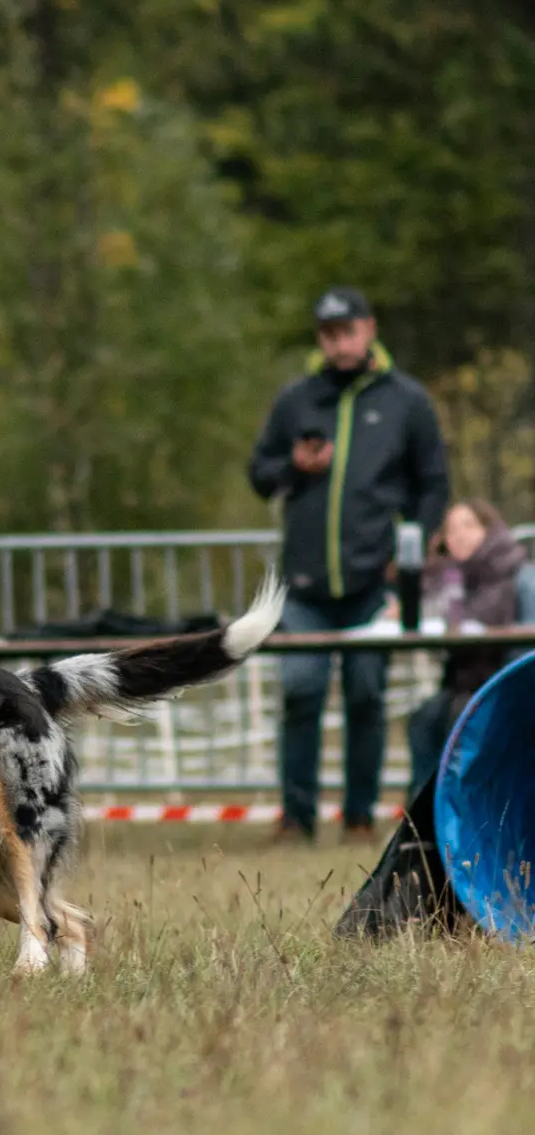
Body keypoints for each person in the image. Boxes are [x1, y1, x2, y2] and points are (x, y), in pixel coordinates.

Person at [248, 286, 450, 842]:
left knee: (367, 695)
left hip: (372, 583)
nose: (338, 342)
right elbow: (259, 474)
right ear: (321, 338)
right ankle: (296, 819)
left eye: (347, 330)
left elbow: (433, 484)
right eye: (328, 333)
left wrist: (412, 547)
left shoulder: (408, 401)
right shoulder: (296, 400)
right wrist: (294, 464)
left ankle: (359, 817)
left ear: (369, 328)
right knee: (300, 695)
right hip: (306, 585)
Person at [405, 500, 528, 793]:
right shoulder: (446, 574)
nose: (458, 535)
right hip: (460, 681)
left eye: (468, 526)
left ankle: (460, 808)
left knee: (458, 720)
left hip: (502, 682)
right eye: (451, 529)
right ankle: (422, 818)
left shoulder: (514, 571)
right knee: (424, 719)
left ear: (489, 528)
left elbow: (501, 629)